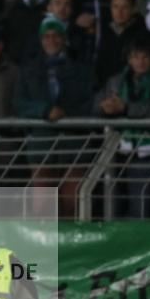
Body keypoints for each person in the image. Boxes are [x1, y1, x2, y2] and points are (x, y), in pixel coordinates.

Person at [14, 16, 94, 217]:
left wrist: (68, 115)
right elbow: (18, 103)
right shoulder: (28, 70)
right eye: (46, 37)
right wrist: (44, 111)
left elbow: (90, 102)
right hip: (42, 143)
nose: (51, 41)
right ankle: (44, 245)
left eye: (56, 36)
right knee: (42, 202)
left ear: (63, 38)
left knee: (72, 200)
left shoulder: (81, 70)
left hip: (74, 143)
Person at [95, 35, 150, 218]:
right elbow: (97, 104)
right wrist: (105, 107)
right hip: (132, 154)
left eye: (145, 57)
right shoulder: (117, 81)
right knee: (139, 208)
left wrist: (125, 108)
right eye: (136, 57)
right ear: (129, 59)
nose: (140, 62)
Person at [96, 0, 150, 87]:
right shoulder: (107, 32)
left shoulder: (145, 35)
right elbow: (100, 64)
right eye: (115, 7)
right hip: (106, 89)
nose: (119, 12)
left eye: (125, 7)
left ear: (133, 9)